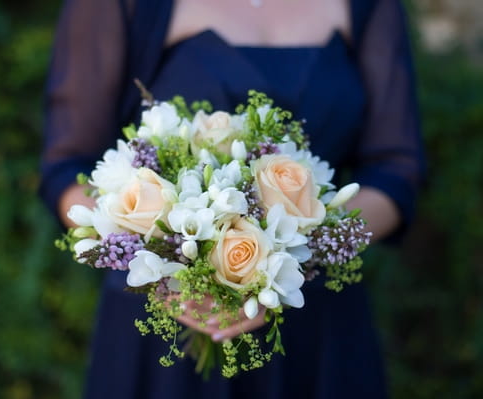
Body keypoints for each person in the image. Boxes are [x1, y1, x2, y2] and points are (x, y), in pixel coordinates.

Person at [39, 0, 426, 397]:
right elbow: (67, 168)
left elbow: (396, 169)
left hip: (318, 326)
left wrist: (292, 254)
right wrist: (173, 264)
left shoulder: (369, 7)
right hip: (164, 334)